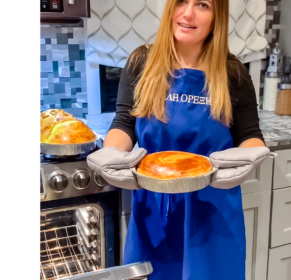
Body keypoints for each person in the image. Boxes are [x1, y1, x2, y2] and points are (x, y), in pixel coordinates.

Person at [87, 0, 271, 279]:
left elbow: (249, 137)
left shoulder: (233, 72)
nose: (187, 13)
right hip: (154, 209)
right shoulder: (141, 62)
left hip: (214, 211)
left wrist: (249, 159)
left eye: (203, 5)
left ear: (216, 16)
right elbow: (125, 123)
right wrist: (111, 152)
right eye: (181, 1)